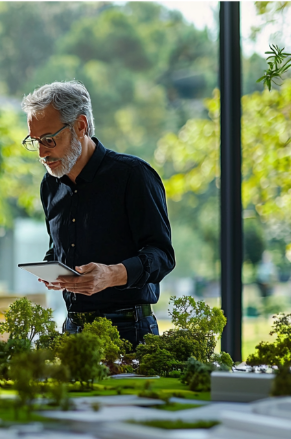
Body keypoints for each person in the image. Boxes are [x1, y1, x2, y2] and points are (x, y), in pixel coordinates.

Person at [21, 81, 175, 347]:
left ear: (80, 127)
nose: (42, 153)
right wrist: (54, 272)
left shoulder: (133, 176)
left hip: (129, 330)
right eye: (34, 141)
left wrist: (111, 274)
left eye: (48, 140)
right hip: (72, 329)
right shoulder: (50, 185)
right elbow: (57, 247)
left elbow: (162, 256)